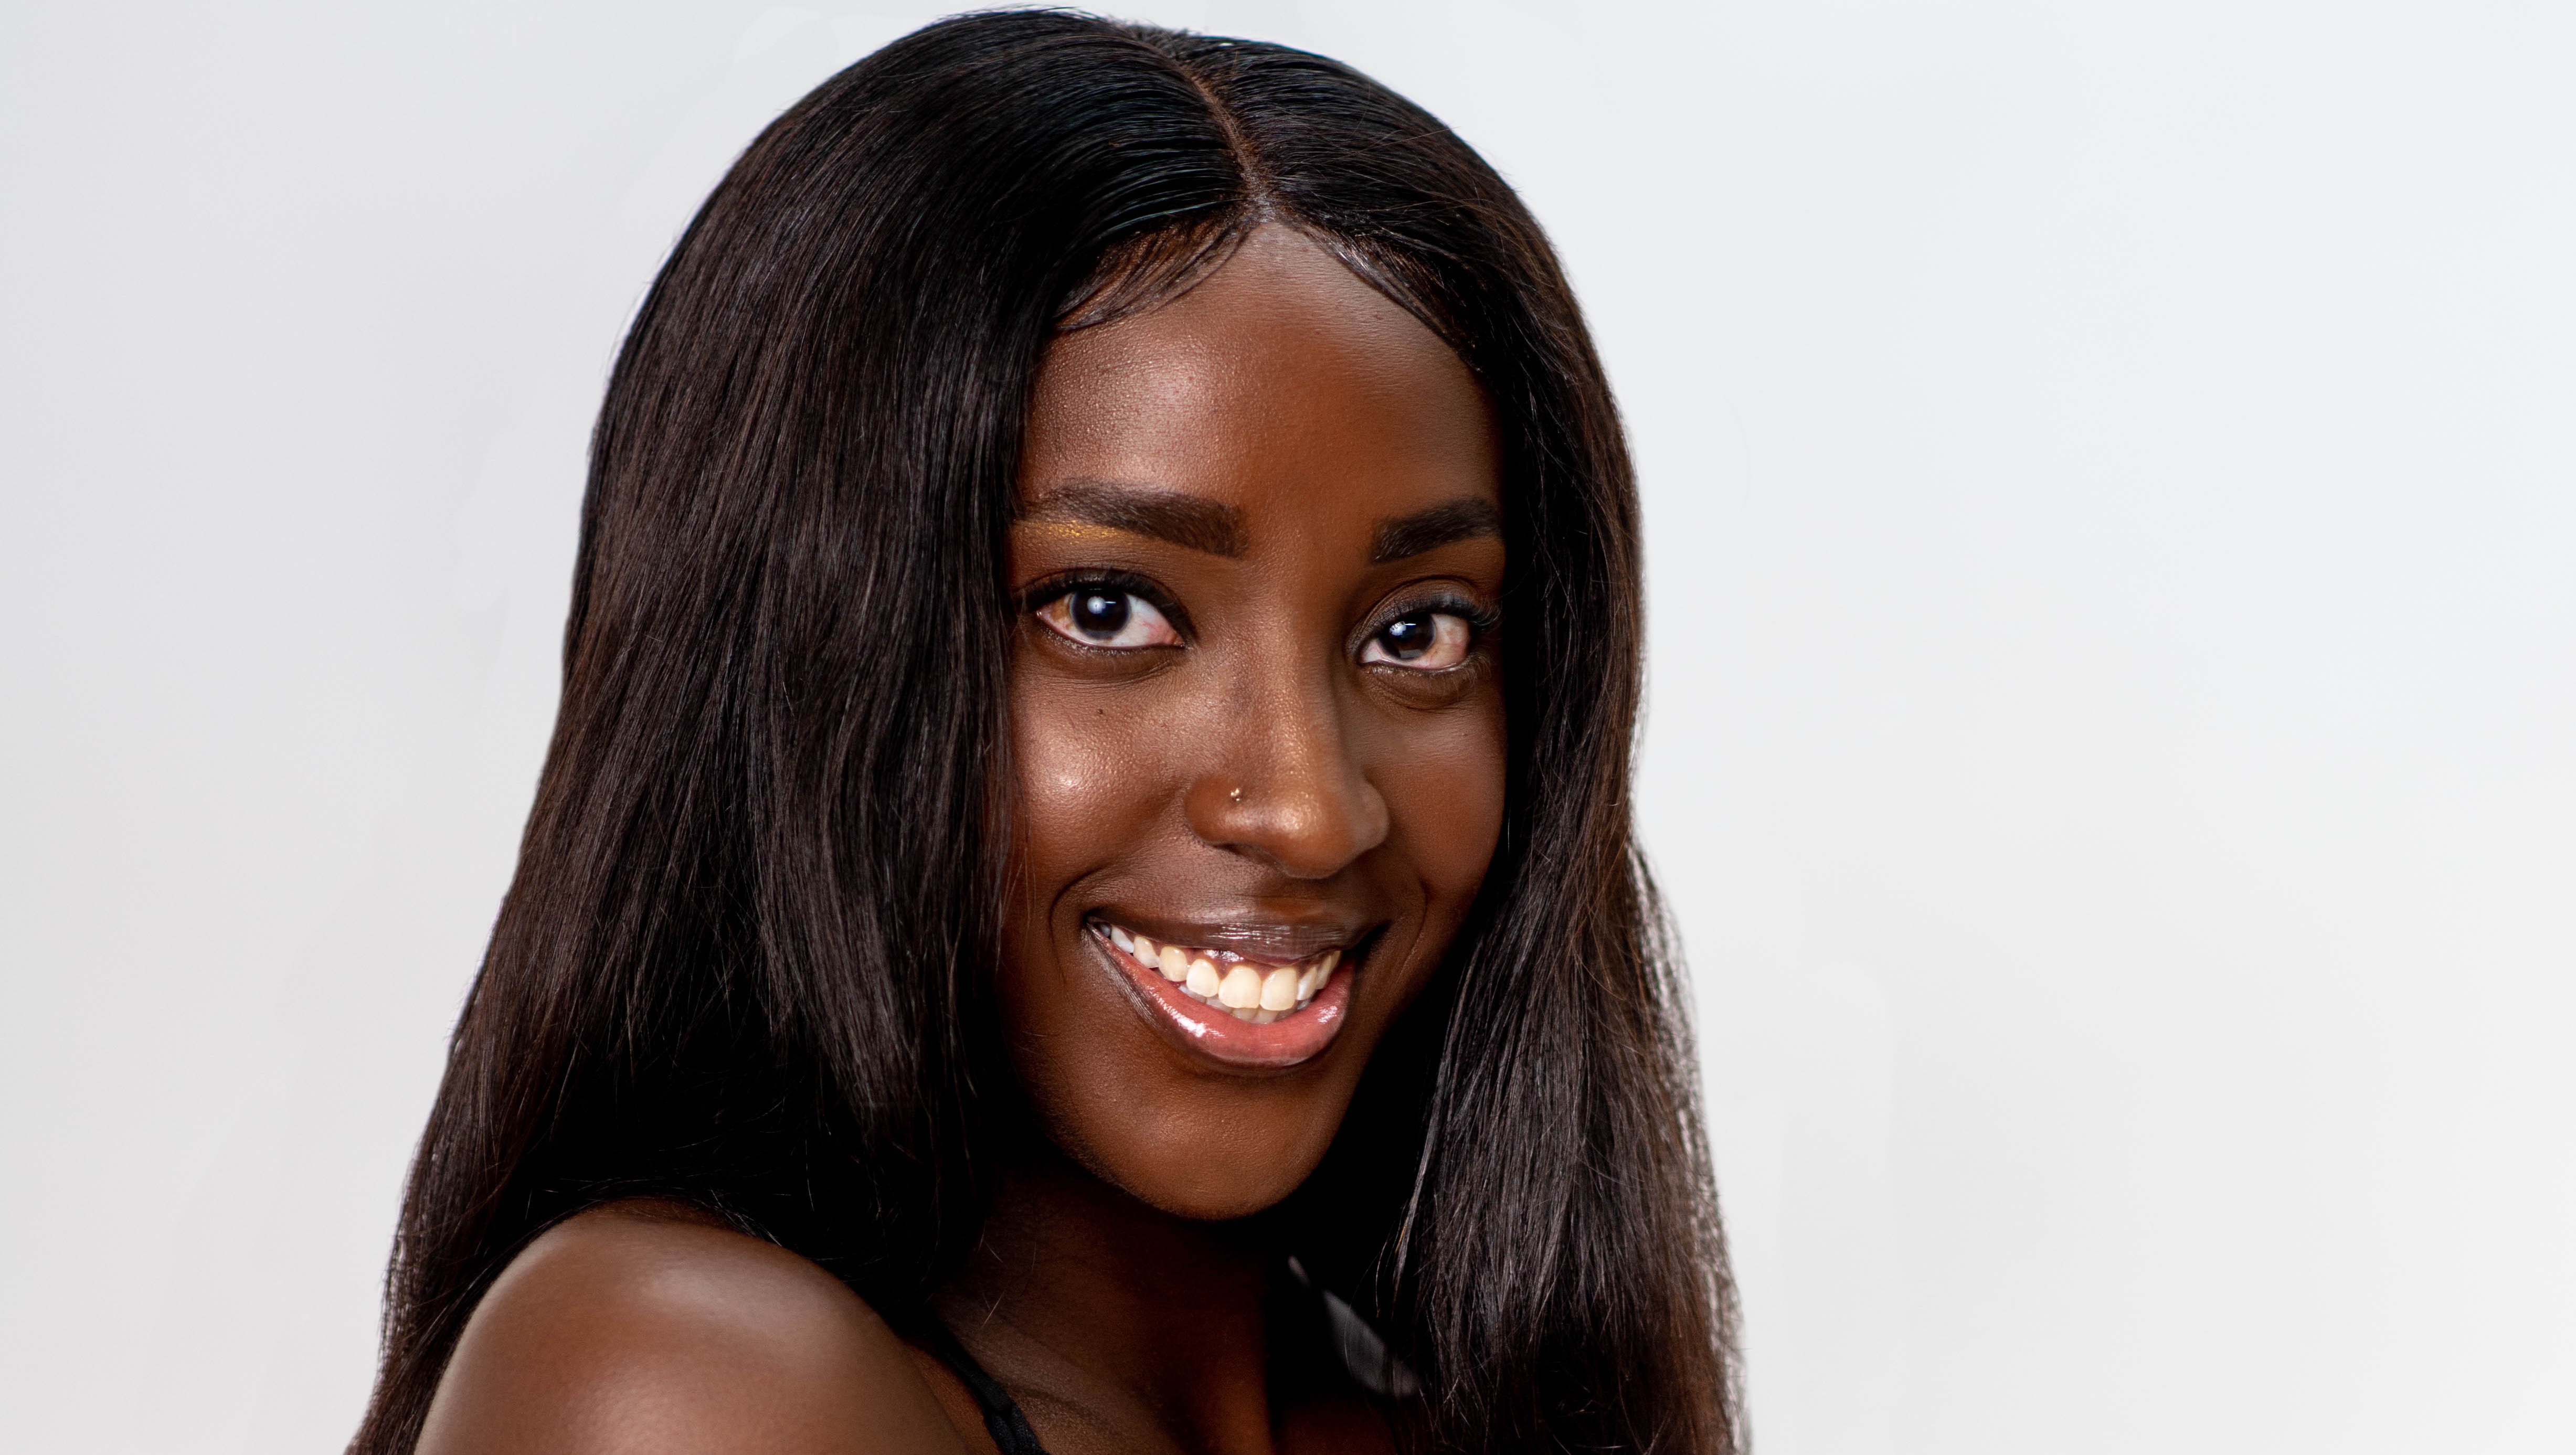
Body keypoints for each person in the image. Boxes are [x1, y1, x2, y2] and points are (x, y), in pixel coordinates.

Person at [350, 11, 1740, 1453]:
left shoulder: (1475, 1411)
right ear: (798, 658)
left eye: (1418, 633)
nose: (1312, 810)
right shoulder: (691, 1382)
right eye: (1106, 610)